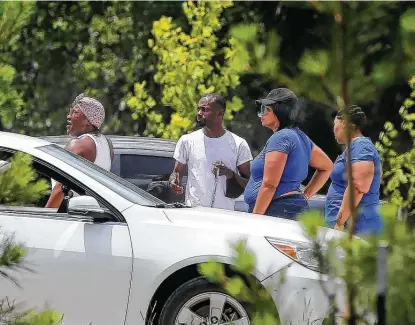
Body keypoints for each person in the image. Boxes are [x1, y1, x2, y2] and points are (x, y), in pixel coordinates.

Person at [244, 88, 333, 219]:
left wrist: (256, 219)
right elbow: (327, 166)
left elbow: (269, 185)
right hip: (289, 208)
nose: (260, 114)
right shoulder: (300, 137)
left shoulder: (280, 138)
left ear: (280, 110)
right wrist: (305, 195)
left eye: (265, 109)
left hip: (276, 209)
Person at [169, 93, 253, 210]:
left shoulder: (239, 144)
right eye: (198, 109)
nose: (199, 113)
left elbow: (249, 183)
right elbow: (176, 172)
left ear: (220, 113)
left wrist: (229, 173)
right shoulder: (187, 141)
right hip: (193, 213)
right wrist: (173, 180)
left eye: (205, 109)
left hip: (224, 216)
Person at [45, 94, 114, 208]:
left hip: (68, 217)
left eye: (74, 112)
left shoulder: (78, 145)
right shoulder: (107, 144)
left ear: (88, 121)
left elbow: (60, 190)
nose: (68, 116)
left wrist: (44, 217)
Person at [325, 105, 383, 235]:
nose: (334, 129)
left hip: (354, 226)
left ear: (344, 123)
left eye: (335, 124)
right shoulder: (356, 148)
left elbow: (358, 187)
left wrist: (339, 224)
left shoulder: (361, 146)